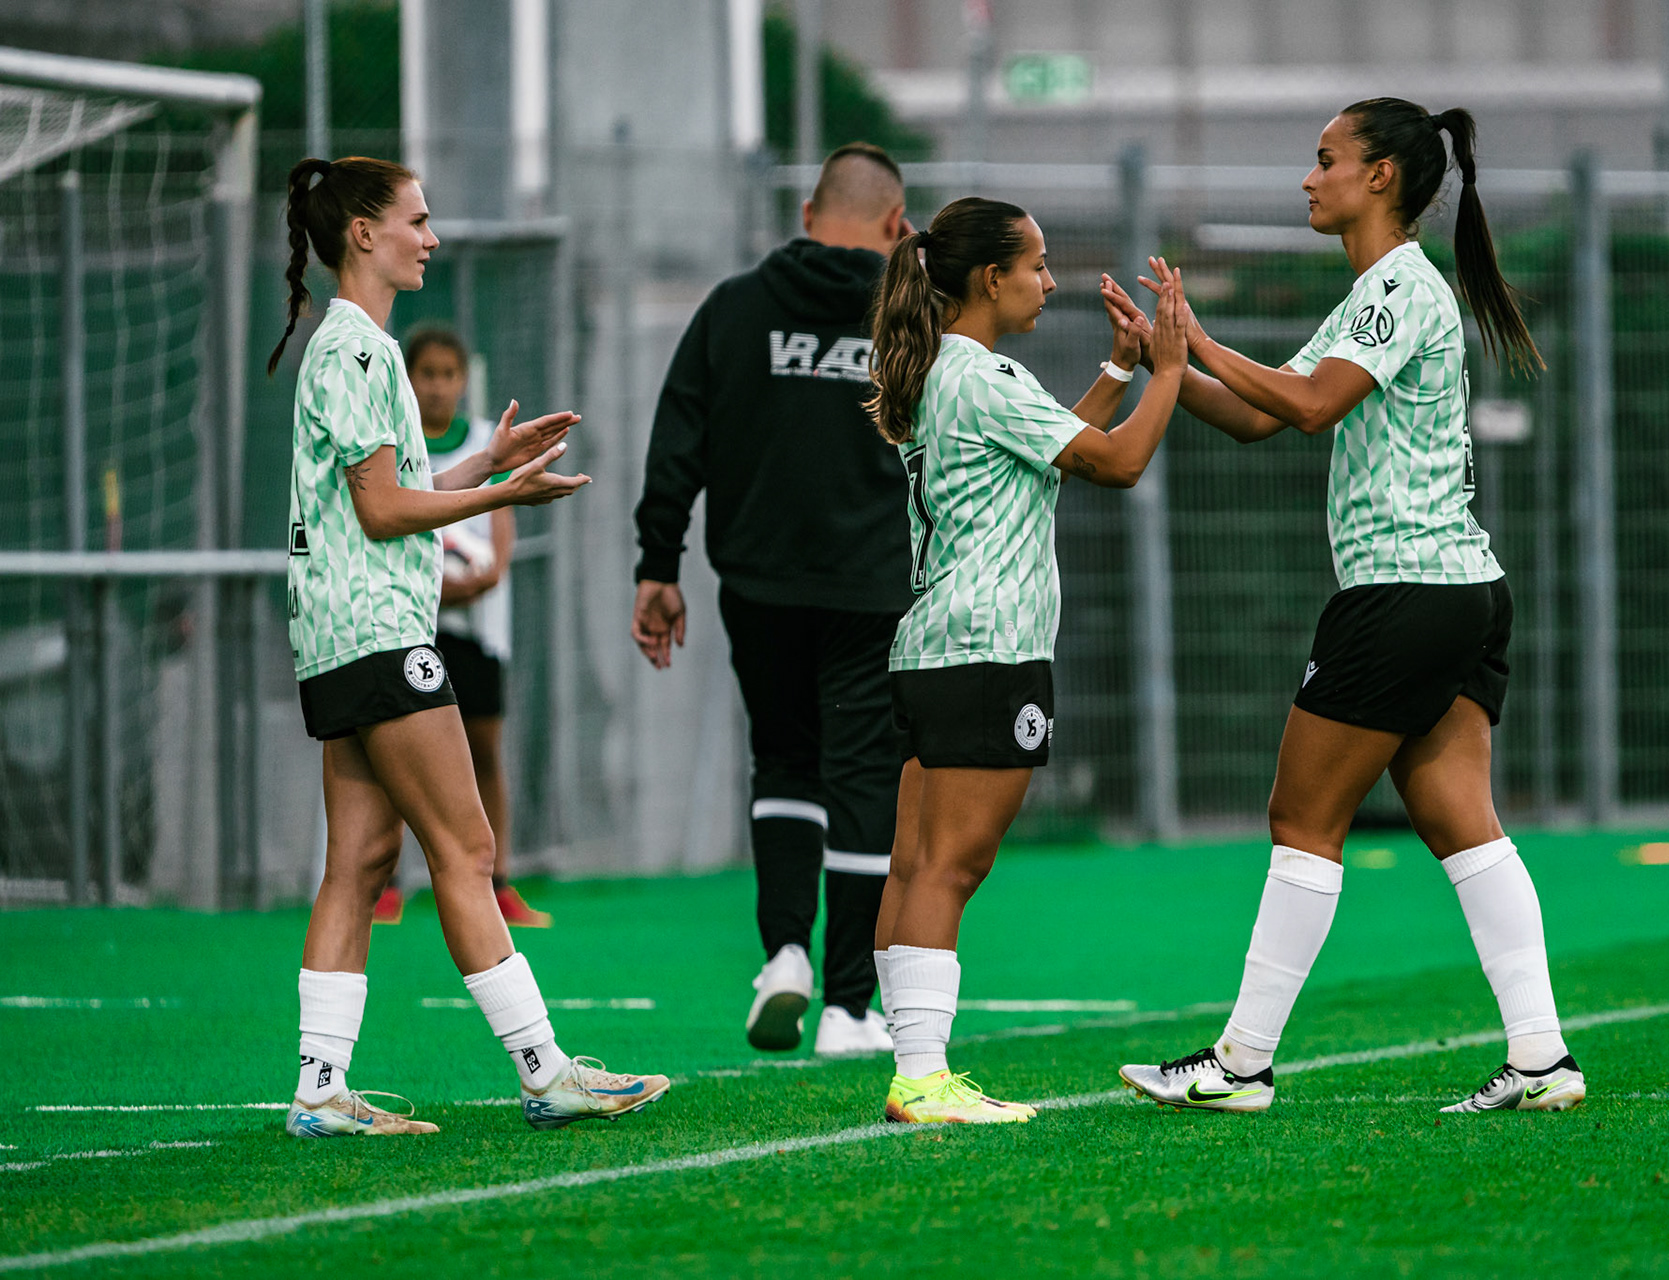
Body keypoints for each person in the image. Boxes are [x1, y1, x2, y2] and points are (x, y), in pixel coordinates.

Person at [1107, 99, 1585, 1115]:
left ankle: (1241, 1063)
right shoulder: (1384, 290)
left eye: (1326, 159)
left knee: (1300, 814)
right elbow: (1259, 414)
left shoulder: (1398, 286)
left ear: (1380, 178)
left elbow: (1311, 402)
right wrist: (1173, 359)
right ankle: (1542, 1056)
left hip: (1403, 592)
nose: (1310, 177)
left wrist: (1196, 337)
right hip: (1461, 590)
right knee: (1461, 819)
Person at [271, 155, 666, 1137]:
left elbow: (379, 483)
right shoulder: (358, 350)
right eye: (417, 218)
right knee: (468, 844)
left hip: (338, 636)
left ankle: (320, 1087)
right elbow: (382, 508)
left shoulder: (352, 348)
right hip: (378, 630)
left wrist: (485, 455)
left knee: (360, 862)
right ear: (363, 232)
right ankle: (544, 1069)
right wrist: (502, 496)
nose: (431, 237)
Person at [866, 196, 1189, 1123]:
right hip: (988, 648)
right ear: (987, 279)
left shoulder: (943, 372)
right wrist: (1168, 370)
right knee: (949, 870)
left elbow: (1043, 451)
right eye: (1037, 266)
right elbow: (1118, 464)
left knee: (914, 867)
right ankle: (922, 1079)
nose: (1049, 282)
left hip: (934, 646)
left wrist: (1118, 371)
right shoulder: (983, 373)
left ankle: (917, 1068)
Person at [631, 143, 915, 1058]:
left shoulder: (735, 307)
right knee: (864, 776)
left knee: (785, 763)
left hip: (757, 583)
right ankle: (847, 1007)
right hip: (871, 586)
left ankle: (784, 952)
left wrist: (658, 565)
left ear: (805, 215)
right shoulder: (911, 320)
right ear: (894, 224)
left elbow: (678, 436)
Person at [362, 326, 551, 929]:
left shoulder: (484, 447)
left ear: (465, 379)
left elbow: (496, 557)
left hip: (476, 634)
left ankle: (498, 885)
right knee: (396, 754)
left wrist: (469, 581)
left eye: (450, 374)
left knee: (485, 750)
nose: (439, 386)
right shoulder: (397, 447)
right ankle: (387, 883)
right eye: (428, 374)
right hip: (413, 629)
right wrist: (432, 589)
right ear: (409, 380)